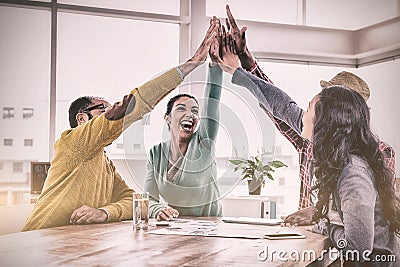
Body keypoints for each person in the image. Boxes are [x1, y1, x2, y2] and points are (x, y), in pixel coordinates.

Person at [216, 33, 400, 266]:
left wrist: (324, 224)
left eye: (311, 107)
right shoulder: (332, 147)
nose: (302, 113)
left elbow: (359, 248)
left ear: (330, 116)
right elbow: (280, 104)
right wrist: (240, 69)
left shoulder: (353, 171)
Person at [22, 20, 219, 231]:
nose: (110, 113)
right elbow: (133, 105)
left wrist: (104, 212)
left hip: (74, 243)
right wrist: (192, 63)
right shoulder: (72, 142)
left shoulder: (104, 162)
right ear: (82, 119)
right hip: (38, 240)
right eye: (103, 109)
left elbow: (131, 200)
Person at [223, 4, 396, 225]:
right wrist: (244, 60)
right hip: (307, 239)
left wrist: (317, 211)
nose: (312, 110)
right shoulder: (311, 136)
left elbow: (369, 206)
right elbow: (277, 105)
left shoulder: (381, 152)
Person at [144, 18, 223, 221]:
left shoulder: (205, 141)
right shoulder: (155, 154)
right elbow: (149, 198)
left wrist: (215, 63)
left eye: (195, 111)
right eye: (181, 109)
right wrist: (156, 210)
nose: (190, 114)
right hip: (176, 229)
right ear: (167, 118)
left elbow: (212, 97)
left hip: (211, 229)